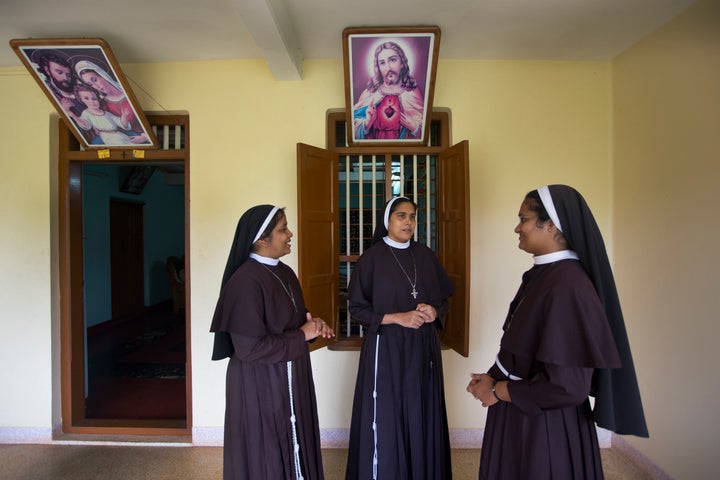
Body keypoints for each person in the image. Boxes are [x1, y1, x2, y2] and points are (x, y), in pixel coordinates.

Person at [466, 185, 648, 479]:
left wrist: (499, 391)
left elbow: (567, 387)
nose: (517, 227)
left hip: (545, 430)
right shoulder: (547, 274)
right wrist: (492, 377)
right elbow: (522, 348)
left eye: (523, 218)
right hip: (525, 416)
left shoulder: (567, 287)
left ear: (550, 224)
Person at [210, 205, 335, 480]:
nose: (290, 234)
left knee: (295, 440)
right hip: (260, 383)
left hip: (291, 376)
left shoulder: (286, 272)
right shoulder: (244, 282)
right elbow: (249, 348)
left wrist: (313, 327)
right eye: (282, 229)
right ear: (261, 239)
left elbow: (295, 323)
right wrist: (301, 335)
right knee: (266, 452)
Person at [345, 196, 455, 479]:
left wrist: (434, 311)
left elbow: (444, 298)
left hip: (422, 349)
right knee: (389, 414)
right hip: (388, 348)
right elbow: (356, 308)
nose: (408, 221)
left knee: (421, 410)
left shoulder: (426, 256)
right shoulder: (371, 258)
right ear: (388, 221)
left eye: (412, 216)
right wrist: (396, 317)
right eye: (401, 216)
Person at [352, 42, 425, 140]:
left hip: (402, 152)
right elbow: (353, 132)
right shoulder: (370, 93)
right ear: (378, 67)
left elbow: (425, 133)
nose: (388, 67)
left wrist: (414, 128)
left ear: (402, 63)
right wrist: (366, 124)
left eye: (392, 60)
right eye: (382, 63)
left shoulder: (412, 93)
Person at [75, 59, 144, 134]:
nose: (95, 86)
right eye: (90, 85)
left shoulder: (129, 90)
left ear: (102, 75)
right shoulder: (102, 104)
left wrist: (145, 136)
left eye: (94, 80)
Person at [68, 84, 150, 146]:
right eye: (86, 98)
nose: (92, 101)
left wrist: (124, 116)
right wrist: (73, 116)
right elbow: (86, 125)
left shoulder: (106, 113)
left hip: (119, 135)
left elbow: (121, 124)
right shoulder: (86, 113)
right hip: (109, 137)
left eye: (94, 99)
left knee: (133, 145)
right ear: (81, 100)